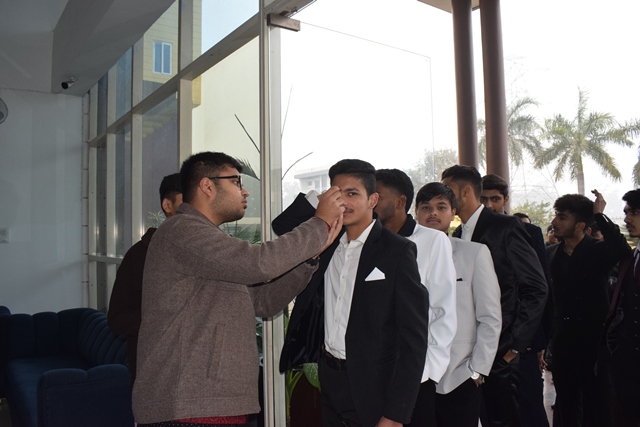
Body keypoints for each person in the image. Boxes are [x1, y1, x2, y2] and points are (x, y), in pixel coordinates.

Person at [131, 152, 345, 427]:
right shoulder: (182, 231)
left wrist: (309, 259)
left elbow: (263, 301)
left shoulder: (208, 241)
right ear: (207, 186)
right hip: (186, 405)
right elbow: (259, 263)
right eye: (235, 182)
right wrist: (318, 223)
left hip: (210, 403)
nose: (245, 191)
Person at [274, 159, 429, 427]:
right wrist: (321, 200)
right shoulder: (326, 243)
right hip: (329, 377)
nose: (343, 202)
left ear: (372, 200)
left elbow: (414, 339)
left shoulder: (397, 251)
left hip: (374, 385)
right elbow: (282, 226)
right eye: (337, 193)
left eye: (352, 193)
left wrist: (396, 413)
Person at [441, 165, 548, 427]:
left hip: (502, 350)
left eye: (448, 190)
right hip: (467, 355)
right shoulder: (457, 234)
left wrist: (514, 345)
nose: (443, 196)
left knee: (506, 419)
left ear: (466, 192)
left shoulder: (505, 226)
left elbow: (536, 287)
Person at [414, 182, 502, 427]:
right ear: (416, 213)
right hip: (413, 374)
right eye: (426, 207)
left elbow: (490, 317)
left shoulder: (474, 253)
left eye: (441, 207)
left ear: (453, 212)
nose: (433, 213)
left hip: (458, 374)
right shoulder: (403, 254)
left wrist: (477, 370)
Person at [374, 169, 457, 427]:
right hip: (374, 369)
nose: (371, 201)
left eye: (378, 195)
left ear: (400, 201)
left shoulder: (433, 240)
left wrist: (428, 370)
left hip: (415, 372)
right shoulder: (369, 240)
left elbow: (443, 307)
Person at [547, 191, 630, 426]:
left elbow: (622, 248)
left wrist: (599, 215)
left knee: (597, 404)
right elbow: (547, 300)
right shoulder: (550, 254)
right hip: (561, 343)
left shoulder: (599, 251)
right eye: (556, 215)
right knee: (565, 404)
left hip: (593, 345)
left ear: (581, 225)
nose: (555, 221)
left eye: (562, 217)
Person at [480, 173, 551, 427]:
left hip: (521, 339)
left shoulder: (528, 231)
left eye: (495, 199)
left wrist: (532, 342)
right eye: (483, 199)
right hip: (488, 339)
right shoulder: (466, 232)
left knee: (529, 408)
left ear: (506, 199)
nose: (489, 205)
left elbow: (539, 287)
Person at [107, 172, 183, 384]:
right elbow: (117, 318)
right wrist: (165, 321)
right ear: (167, 206)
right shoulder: (139, 256)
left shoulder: (207, 252)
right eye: (187, 203)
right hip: (153, 372)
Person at [601, 189, 640, 426]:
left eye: (634, 213)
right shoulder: (630, 258)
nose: (627, 219)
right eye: (626, 213)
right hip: (625, 362)